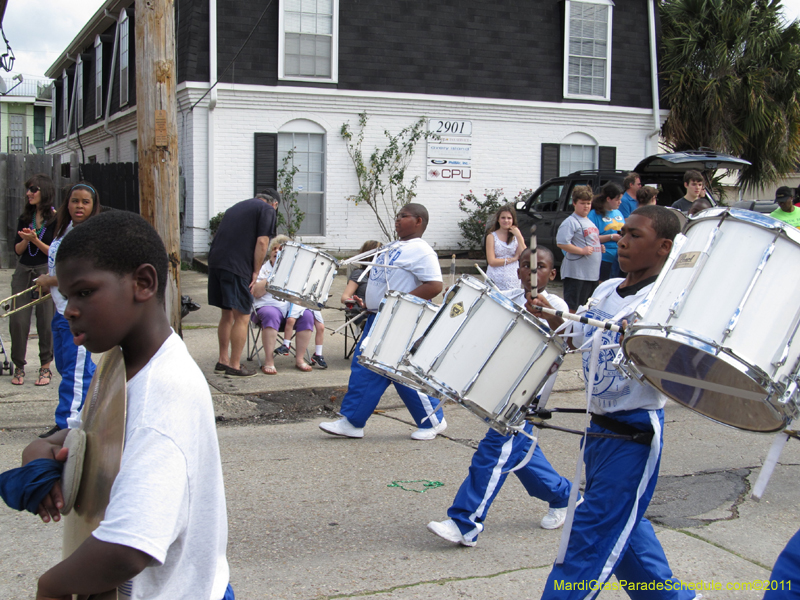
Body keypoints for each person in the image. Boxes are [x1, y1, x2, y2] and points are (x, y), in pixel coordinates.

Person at [22, 210, 232, 600]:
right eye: (67, 297)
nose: (69, 309)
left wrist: (51, 587)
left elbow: (129, 547)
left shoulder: (162, 392)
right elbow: (101, 441)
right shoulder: (121, 364)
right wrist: (42, 449)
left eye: (84, 292)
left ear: (143, 282)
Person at [535, 205, 695, 600]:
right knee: (626, 527)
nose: (622, 241)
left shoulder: (667, 302)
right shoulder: (607, 289)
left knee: (589, 536)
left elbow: (677, 368)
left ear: (664, 247)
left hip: (634, 434)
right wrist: (547, 311)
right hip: (598, 431)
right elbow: (574, 337)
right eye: (622, 232)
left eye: (635, 235)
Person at [427, 247, 577, 547]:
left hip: (526, 397)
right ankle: (567, 498)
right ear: (518, 270)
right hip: (497, 388)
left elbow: (568, 341)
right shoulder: (507, 296)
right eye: (525, 266)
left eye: (540, 267)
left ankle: (465, 522)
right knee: (519, 454)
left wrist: (546, 312)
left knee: (493, 452)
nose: (531, 273)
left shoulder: (556, 304)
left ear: (552, 273)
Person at [319, 203, 446, 440]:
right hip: (377, 316)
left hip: (398, 319)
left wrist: (396, 303)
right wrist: (370, 303)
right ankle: (353, 422)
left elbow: (434, 285)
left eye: (404, 216)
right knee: (371, 367)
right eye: (397, 215)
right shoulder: (394, 246)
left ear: (419, 221)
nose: (397, 219)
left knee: (394, 371)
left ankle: (433, 420)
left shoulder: (421, 250)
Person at [34, 182, 101, 436]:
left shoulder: (90, 235)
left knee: (74, 373)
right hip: (61, 310)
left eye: (85, 202)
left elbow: (85, 275)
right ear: (67, 203)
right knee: (69, 367)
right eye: (75, 201)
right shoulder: (66, 229)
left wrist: (49, 281)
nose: (79, 206)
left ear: (94, 206)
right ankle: (101, 404)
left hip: (80, 314)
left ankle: (67, 426)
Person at [208, 189, 279, 378]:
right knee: (242, 316)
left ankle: (222, 361)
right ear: (274, 204)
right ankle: (234, 365)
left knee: (227, 314)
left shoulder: (235, 208)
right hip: (236, 266)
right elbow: (263, 242)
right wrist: (256, 271)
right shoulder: (267, 210)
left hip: (216, 263)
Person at [10, 174, 57, 387]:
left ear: (44, 191)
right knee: (18, 321)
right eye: (28, 189)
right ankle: (19, 366)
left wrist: (35, 240)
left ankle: (45, 366)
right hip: (23, 270)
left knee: (45, 320)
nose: (29, 193)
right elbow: (18, 250)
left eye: (33, 189)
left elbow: (53, 252)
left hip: (44, 270)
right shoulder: (25, 217)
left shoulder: (56, 219)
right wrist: (25, 239)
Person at [252, 235, 314, 374]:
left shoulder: (295, 271)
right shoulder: (263, 269)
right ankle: (269, 361)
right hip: (267, 307)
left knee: (308, 315)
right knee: (271, 314)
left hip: (290, 312)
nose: (277, 251)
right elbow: (256, 292)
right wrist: (275, 274)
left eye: (281, 250)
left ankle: (299, 359)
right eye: (274, 249)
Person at [556, 186, 602, 311]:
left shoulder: (589, 221)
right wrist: (582, 251)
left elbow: (590, 240)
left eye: (588, 203)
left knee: (587, 308)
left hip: (591, 274)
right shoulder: (570, 222)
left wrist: (599, 246)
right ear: (575, 203)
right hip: (576, 274)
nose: (586, 206)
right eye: (582, 203)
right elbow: (561, 243)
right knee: (573, 308)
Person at [587, 182, 625, 282]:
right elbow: (589, 238)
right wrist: (611, 237)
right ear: (608, 199)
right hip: (604, 257)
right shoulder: (594, 215)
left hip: (619, 257)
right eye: (617, 199)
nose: (620, 202)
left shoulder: (618, 212)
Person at [485, 204, 526, 290]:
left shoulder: (516, 237)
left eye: (509, 218)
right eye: (503, 218)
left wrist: (519, 236)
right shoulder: (491, 236)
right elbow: (492, 261)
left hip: (513, 279)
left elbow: (524, 254)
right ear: (498, 220)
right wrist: (513, 259)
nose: (506, 220)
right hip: (495, 279)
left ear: (513, 220)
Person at [341, 240, 382, 306]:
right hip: (362, 312)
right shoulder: (359, 274)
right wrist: (355, 301)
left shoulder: (384, 274)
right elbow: (344, 297)